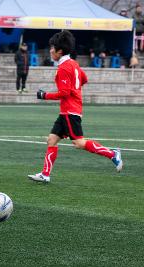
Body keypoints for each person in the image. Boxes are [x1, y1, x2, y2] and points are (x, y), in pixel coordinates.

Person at [28, 30, 123, 183]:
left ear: (60, 51)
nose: (50, 50)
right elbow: (83, 79)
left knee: (79, 143)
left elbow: (64, 93)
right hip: (68, 111)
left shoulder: (64, 67)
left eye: (52, 48)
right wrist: (77, 93)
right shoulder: (74, 64)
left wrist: (44, 95)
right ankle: (45, 174)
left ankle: (113, 154)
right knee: (52, 140)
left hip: (70, 111)